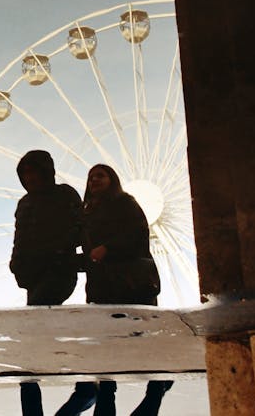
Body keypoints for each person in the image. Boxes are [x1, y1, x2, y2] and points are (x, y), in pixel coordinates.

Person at [79, 164, 173, 416]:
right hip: (102, 287)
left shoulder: (125, 203)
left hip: (131, 285)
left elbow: (138, 234)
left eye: (100, 175)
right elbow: (87, 251)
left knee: (141, 339)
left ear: (112, 179)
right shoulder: (87, 212)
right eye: (90, 177)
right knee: (107, 344)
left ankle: (156, 388)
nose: (94, 180)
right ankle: (108, 399)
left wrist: (108, 248)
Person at [9, 150, 84, 416]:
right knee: (36, 338)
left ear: (46, 171)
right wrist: (16, 265)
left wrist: (59, 252)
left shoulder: (66, 195)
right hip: (34, 275)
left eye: (33, 172)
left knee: (32, 338)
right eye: (25, 174)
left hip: (59, 271)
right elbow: (20, 237)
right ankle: (84, 388)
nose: (29, 178)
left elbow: (80, 229)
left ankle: (84, 388)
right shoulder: (25, 203)